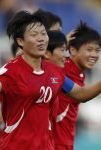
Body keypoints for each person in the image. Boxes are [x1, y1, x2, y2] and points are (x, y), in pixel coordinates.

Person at [0, 10, 101, 150]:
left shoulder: (54, 71)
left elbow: (81, 94)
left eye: (43, 34)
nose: (41, 38)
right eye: (34, 35)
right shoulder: (11, 70)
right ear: (20, 41)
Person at [52, 21, 101, 150]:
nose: (94, 55)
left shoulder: (78, 72)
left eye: (97, 50)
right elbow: (82, 95)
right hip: (56, 142)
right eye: (89, 49)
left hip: (65, 140)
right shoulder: (62, 69)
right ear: (73, 50)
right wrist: (60, 45)